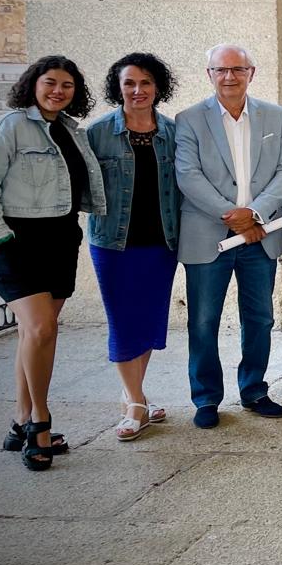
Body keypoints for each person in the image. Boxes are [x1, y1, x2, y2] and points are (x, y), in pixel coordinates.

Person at [0, 56, 104, 468]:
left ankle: (19, 420)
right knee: (42, 327)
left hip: (60, 241)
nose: (57, 91)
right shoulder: (9, 127)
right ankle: (39, 423)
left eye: (67, 85)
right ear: (33, 84)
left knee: (36, 334)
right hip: (15, 242)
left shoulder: (71, 130)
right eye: (50, 82)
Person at [175, 44, 282, 428]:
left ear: (251, 73)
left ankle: (254, 390)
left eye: (237, 69)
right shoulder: (189, 119)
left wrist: (254, 214)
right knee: (203, 321)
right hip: (208, 235)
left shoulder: (276, 116)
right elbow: (188, 175)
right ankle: (206, 398)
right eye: (221, 70)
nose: (229, 76)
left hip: (259, 236)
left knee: (259, 318)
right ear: (209, 74)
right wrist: (231, 215)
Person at [85, 53, 182, 441]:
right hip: (114, 243)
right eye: (129, 83)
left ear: (158, 87)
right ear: (118, 87)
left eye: (145, 82)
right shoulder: (98, 132)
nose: (137, 90)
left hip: (162, 241)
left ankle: (134, 395)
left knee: (149, 320)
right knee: (124, 320)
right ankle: (136, 404)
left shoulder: (172, 132)